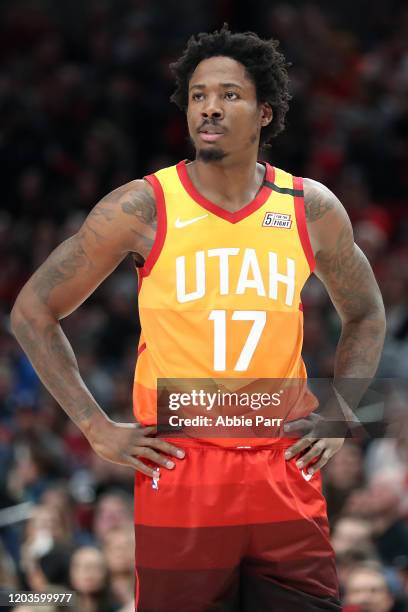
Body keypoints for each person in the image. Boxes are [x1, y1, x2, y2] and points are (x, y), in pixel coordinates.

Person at [11, 25, 386, 611]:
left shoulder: (308, 207)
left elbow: (365, 313)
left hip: (282, 464)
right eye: (198, 95)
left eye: (229, 95)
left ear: (265, 113)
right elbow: (33, 312)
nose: (210, 106)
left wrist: (343, 414)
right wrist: (95, 429)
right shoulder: (142, 206)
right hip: (182, 465)